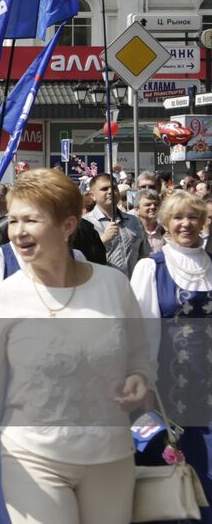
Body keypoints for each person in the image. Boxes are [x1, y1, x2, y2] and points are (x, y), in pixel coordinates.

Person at [0, 168, 154, 524]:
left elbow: (139, 354)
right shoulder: (2, 299)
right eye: (13, 220)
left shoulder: (114, 286)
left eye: (31, 219)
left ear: (67, 225)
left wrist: (138, 377)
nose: (18, 231)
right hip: (31, 459)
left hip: (111, 457)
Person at [129, 189, 212, 523]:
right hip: (168, 392)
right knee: (171, 476)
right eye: (178, 217)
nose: (186, 224)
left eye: (192, 217)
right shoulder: (151, 268)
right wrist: (144, 387)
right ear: (165, 222)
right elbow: (139, 332)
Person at [85, 172, 151, 277]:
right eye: (104, 189)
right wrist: (102, 241)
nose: (110, 191)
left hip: (131, 288)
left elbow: (144, 255)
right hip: (103, 288)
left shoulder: (134, 221)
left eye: (114, 188)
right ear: (92, 195)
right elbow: (81, 260)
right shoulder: (85, 224)